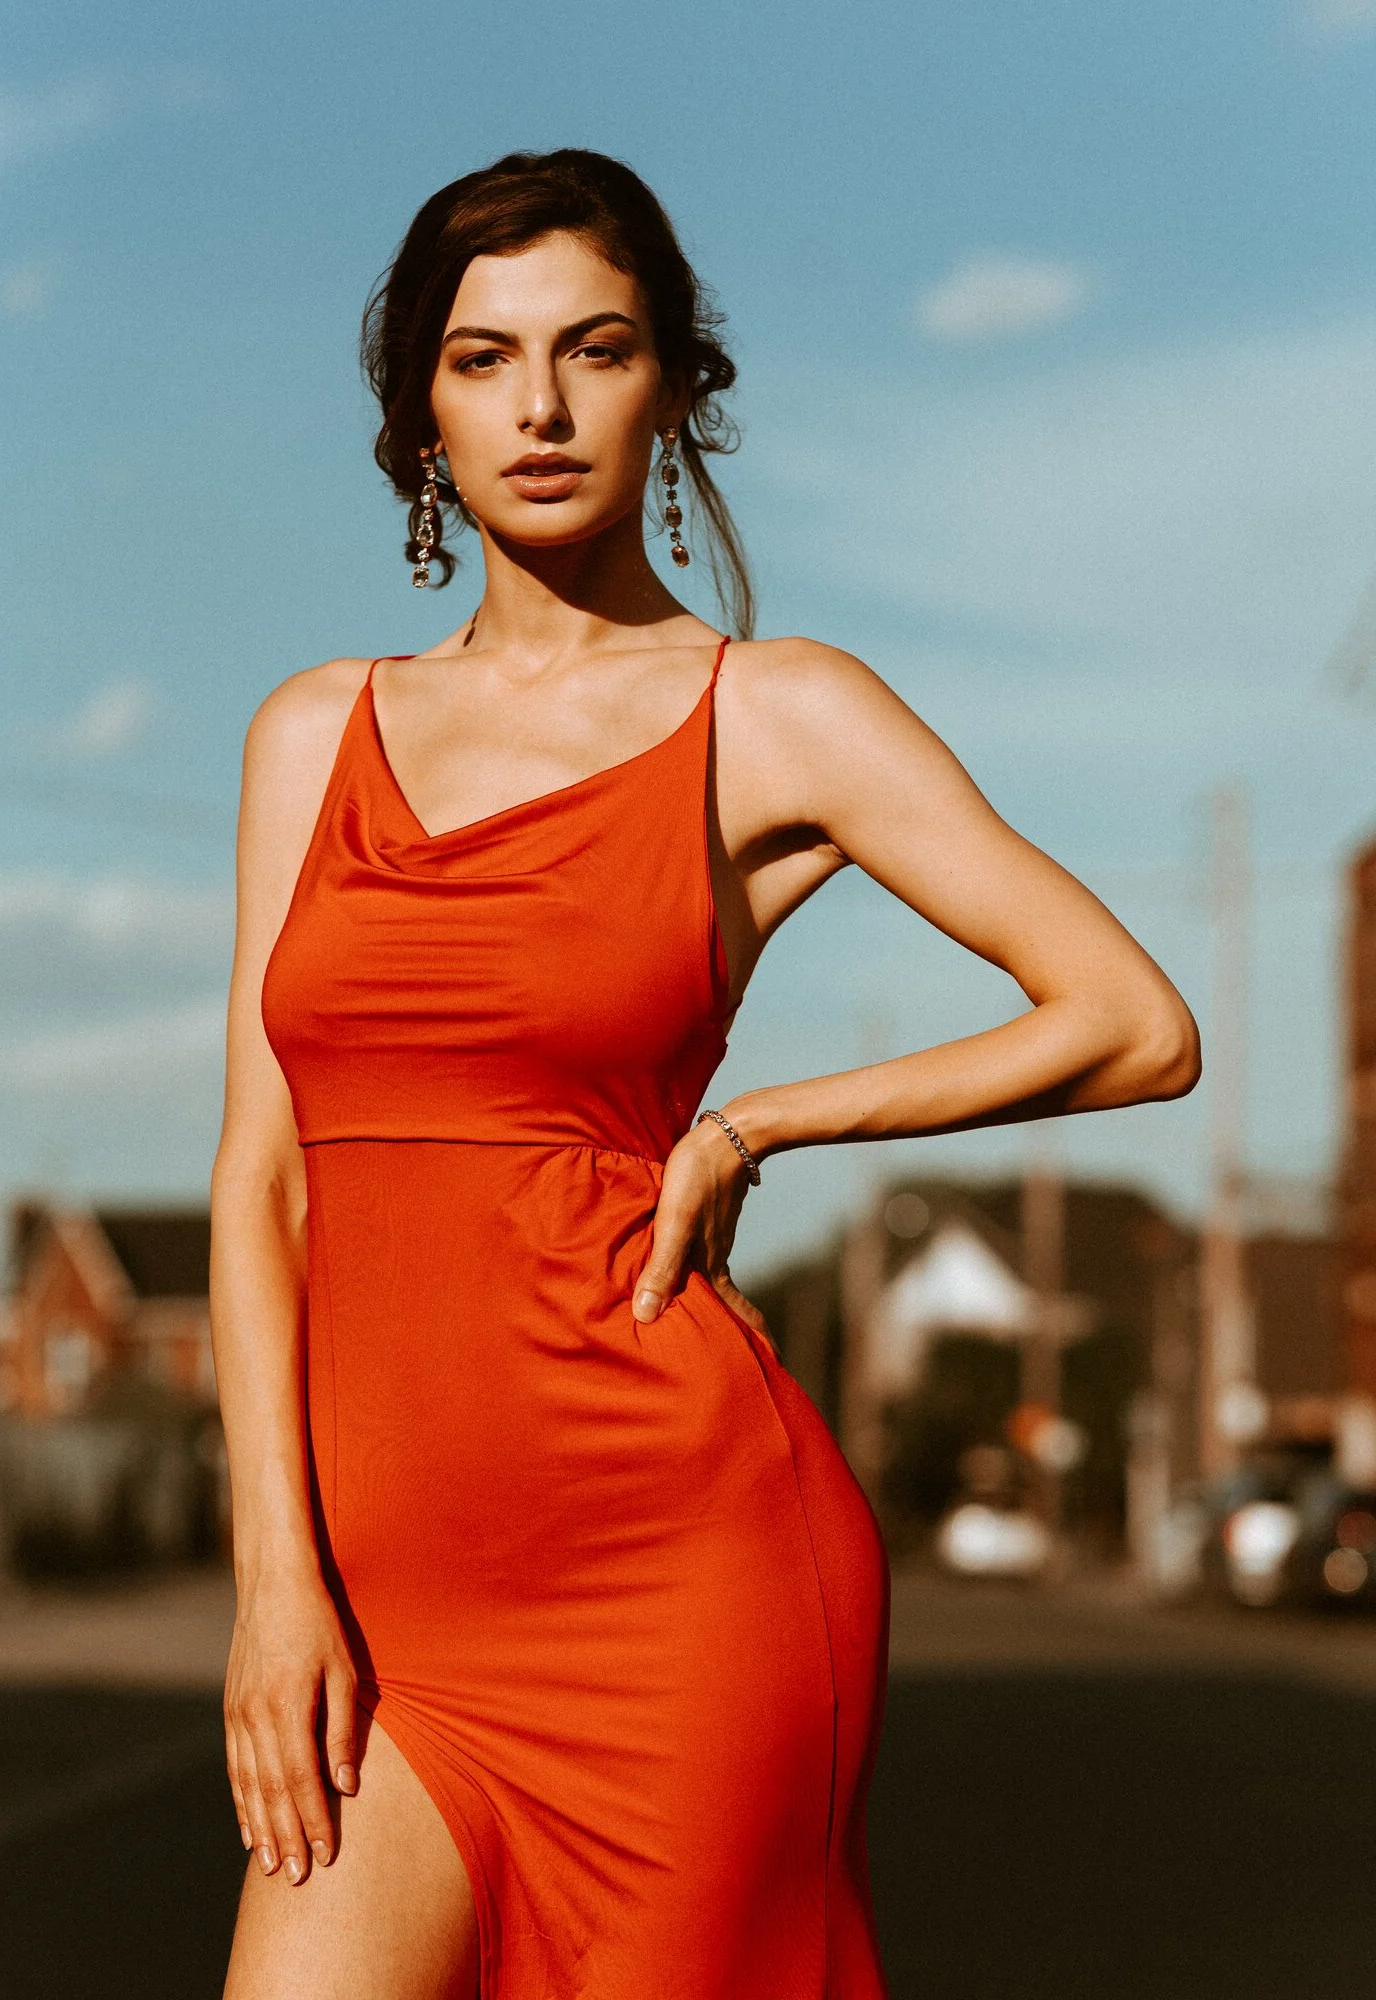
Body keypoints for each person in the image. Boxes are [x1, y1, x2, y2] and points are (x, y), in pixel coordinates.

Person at [210, 149, 1199, 1999]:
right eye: (483, 358)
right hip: (387, 1621)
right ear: (420, 410)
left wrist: (765, 1120)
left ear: (674, 385)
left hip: (681, 1581)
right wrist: (276, 1579)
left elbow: (1132, 1018)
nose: (542, 406)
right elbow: (265, 1180)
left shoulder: (776, 711)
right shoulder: (310, 732)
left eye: (595, 350)